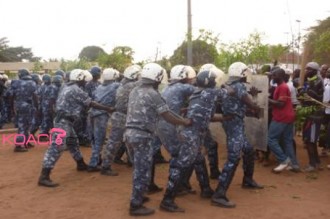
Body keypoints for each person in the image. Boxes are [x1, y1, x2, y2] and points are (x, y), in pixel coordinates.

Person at [124, 63, 192, 216]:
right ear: (157, 78)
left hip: (129, 134)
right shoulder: (153, 94)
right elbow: (167, 115)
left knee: (138, 169)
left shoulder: (135, 90)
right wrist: (184, 121)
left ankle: (139, 196)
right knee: (143, 171)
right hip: (142, 136)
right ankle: (135, 206)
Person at [37, 69, 114, 187]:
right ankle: (44, 176)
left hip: (64, 120)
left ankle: (80, 164)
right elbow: (90, 103)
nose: (85, 82)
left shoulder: (66, 86)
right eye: (84, 80)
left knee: (73, 143)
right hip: (63, 122)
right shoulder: (76, 90)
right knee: (56, 147)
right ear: (79, 79)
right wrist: (108, 108)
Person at [211, 62, 263, 209]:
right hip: (235, 125)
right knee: (234, 157)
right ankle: (219, 194)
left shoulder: (227, 84)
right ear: (242, 73)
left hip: (231, 123)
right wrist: (254, 97)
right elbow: (252, 106)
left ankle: (248, 180)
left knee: (248, 150)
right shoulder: (239, 86)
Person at [100, 64, 141, 176]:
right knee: (118, 142)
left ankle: (125, 161)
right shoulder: (133, 85)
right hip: (124, 117)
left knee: (118, 141)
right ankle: (106, 166)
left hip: (119, 116)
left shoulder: (123, 83)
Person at [87, 68, 120, 171]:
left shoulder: (99, 86)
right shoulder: (116, 86)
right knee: (99, 140)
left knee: (94, 139)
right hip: (101, 115)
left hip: (92, 114)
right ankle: (93, 164)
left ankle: (97, 159)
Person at [268, 68, 299, 172]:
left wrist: (267, 100)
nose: (272, 77)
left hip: (281, 117)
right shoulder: (280, 86)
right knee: (287, 140)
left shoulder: (283, 87)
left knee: (271, 139)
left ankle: (284, 160)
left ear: (280, 76)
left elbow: (281, 104)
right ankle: (294, 164)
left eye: (274, 75)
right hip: (288, 116)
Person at [298, 62, 324, 172]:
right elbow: (304, 98)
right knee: (309, 139)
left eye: (308, 69)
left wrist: (303, 92)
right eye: (306, 69)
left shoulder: (317, 81)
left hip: (314, 116)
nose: (306, 71)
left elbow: (312, 97)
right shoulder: (310, 81)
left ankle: (312, 164)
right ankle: (316, 162)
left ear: (314, 70)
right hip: (309, 114)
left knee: (310, 141)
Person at [10, 69, 39, 152]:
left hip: (19, 105)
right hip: (28, 106)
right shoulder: (32, 83)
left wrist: (12, 107)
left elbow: (11, 96)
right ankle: (19, 145)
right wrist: (37, 107)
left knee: (24, 125)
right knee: (25, 125)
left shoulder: (15, 82)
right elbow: (35, 96)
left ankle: (25, 142)